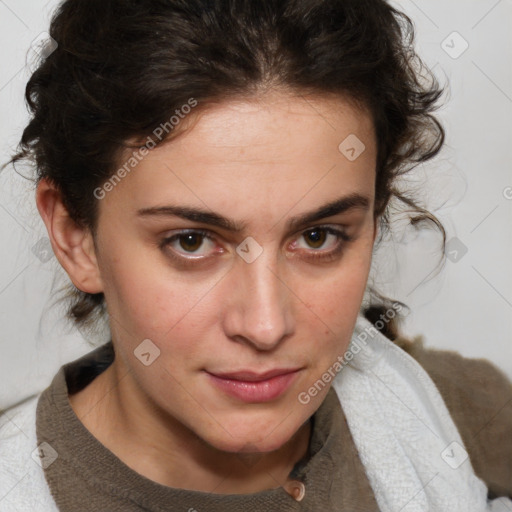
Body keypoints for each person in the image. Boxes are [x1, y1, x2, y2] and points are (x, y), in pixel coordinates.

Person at [0, 0, 511, 510]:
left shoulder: (459, 419)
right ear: (75, 237)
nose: (265, 326)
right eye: (192, 241)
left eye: (319, 236)